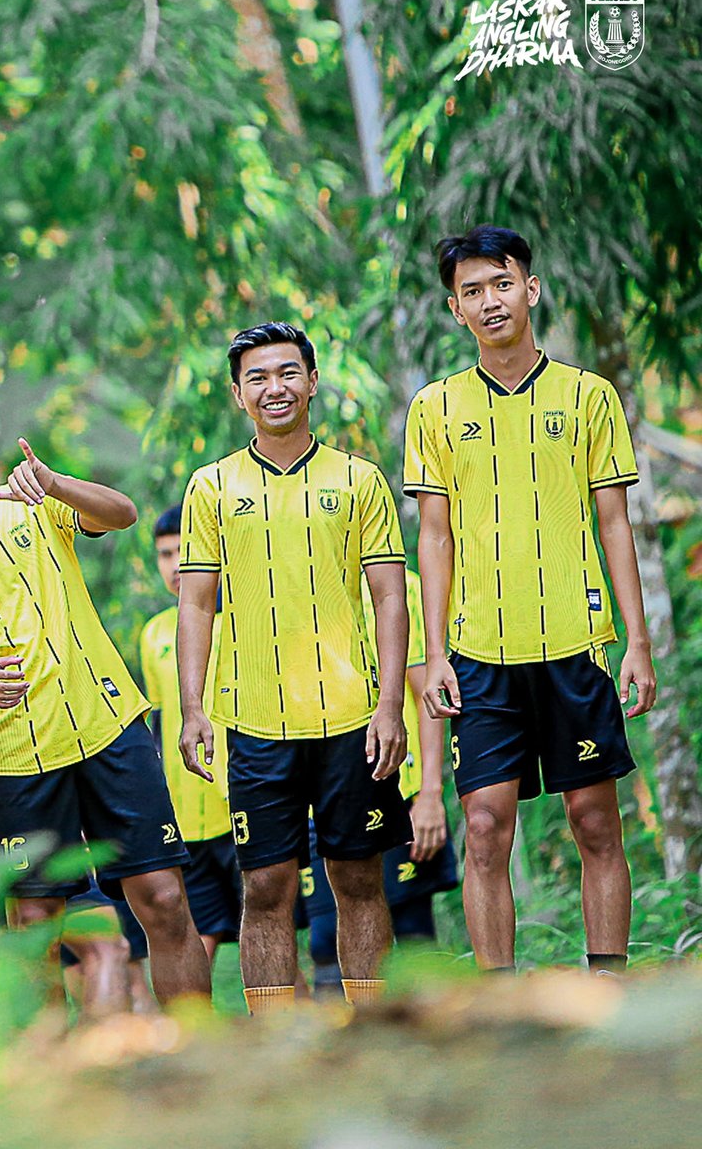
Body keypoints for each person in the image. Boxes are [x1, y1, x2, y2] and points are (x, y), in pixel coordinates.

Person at [0, 403, 212, 1008]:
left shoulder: (28, 506)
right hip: (13, 760)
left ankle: (197, 1050)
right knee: (35, 925)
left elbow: (124, 514)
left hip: (109, 729)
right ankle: (52, 1079)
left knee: (164, 900)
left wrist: (54, 481)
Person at [404, 224, 655, 974]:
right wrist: (435, 653)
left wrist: (635, 640)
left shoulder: (587, 397)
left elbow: (614, 521)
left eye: (501, 284)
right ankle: (499, 1002)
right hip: (480, 653)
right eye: (472, 292)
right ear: (455, 309)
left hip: (575, 646)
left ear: (531, 289)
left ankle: (605, 983)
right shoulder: (436, 408)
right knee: (484, 824)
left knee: (594, 821)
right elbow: (435, 539)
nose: (490, 302)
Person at [177, 322, 412, 1013]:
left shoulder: (358, 479)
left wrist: (390, 705)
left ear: (312, 382)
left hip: (351, 719)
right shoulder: (212, 486)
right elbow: (196, 605)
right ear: (237, 394)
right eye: (257, 377)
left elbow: (391, 595)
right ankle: (275, 1036)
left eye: (287, 373)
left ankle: (373, 1025)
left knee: (358, 877)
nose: (273, 387)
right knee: (266, 885)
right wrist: (193, 709)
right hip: (254, 722)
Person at [306, 569, 459, 995]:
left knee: (410, 930)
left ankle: (434, 1043)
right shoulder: (301, 578)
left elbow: (424, 694)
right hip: (323, 793)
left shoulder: (402, 586)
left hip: (396, 788)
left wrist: (430, 794)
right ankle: (347, 1049)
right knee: (324, 937)